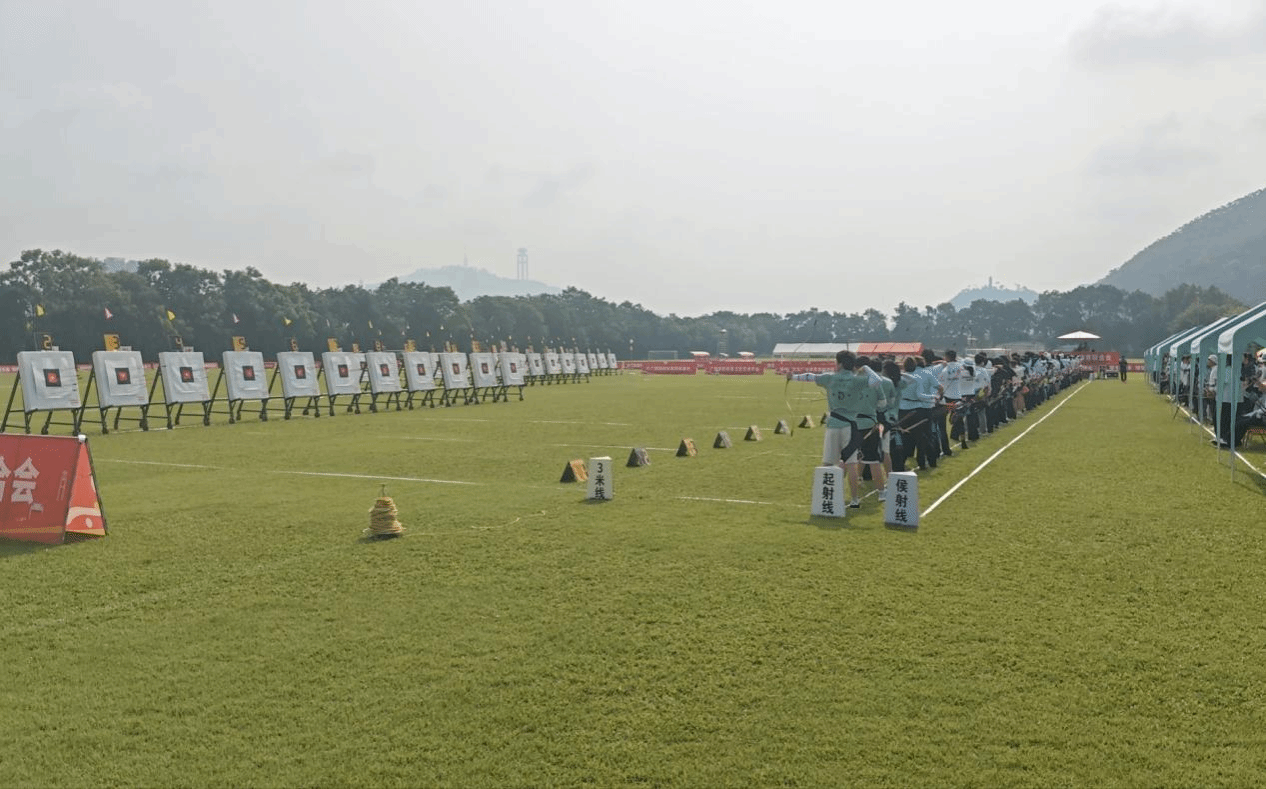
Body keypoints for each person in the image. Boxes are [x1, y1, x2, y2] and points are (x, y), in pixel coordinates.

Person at [786, 349, 887, 507]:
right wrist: (866, 367)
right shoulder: (856, 380)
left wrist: (793, 377)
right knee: (851, 464)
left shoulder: (830, 377)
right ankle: (854, 500)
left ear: (839, 364)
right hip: (850, 426)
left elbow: (810, 376)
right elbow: (877, 381)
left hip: (833, 425)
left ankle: (824, 500)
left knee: (828, 463)